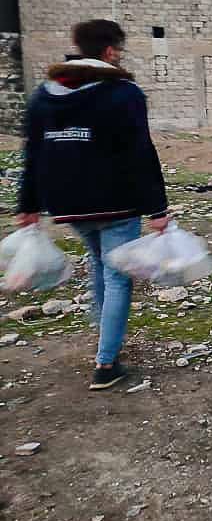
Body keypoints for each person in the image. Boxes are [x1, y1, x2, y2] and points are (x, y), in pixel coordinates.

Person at [17, 19, 170, 390]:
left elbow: (33, 151)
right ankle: (105, 363)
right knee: (118, 277)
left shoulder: (43, 95)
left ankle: (106, 337)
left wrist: (28, 203)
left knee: (100, 266)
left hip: (67, 203)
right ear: (110, 51)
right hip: (116, 202)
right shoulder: (123, 93)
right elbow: (140, 152)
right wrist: (158, 208)